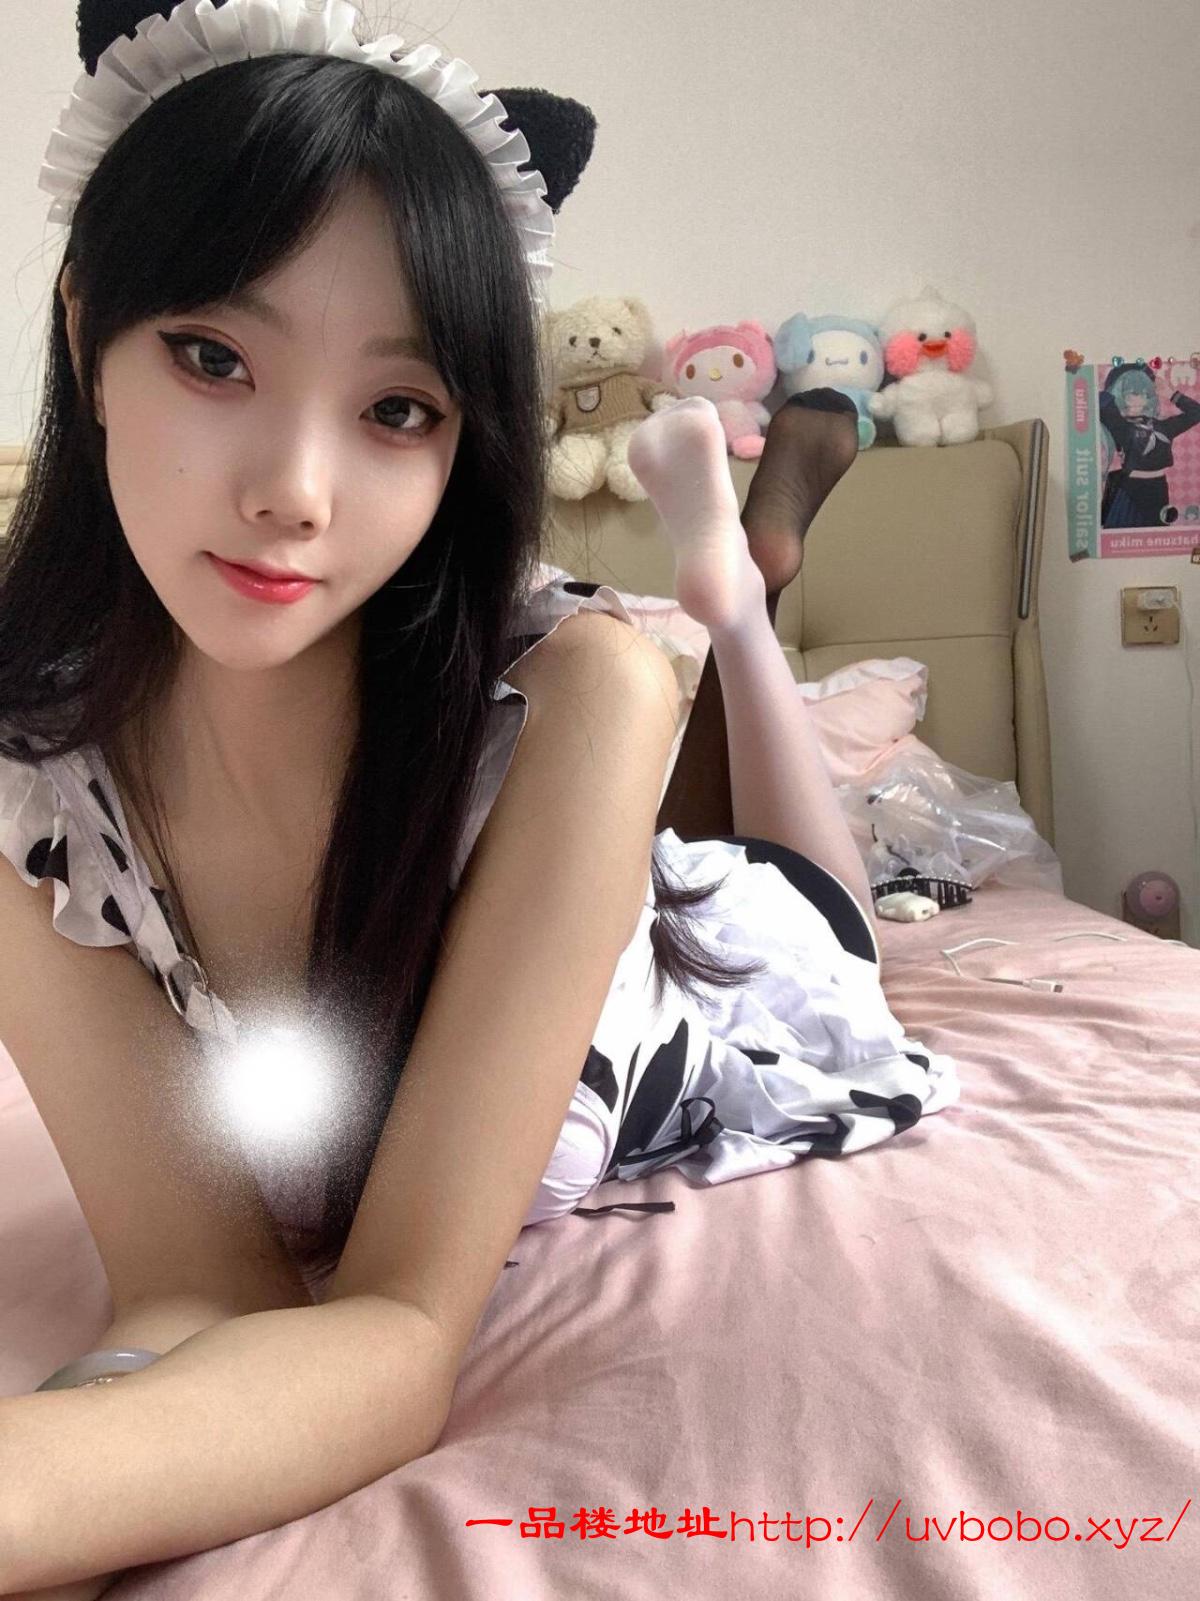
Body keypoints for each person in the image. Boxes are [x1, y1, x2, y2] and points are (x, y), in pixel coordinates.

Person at [0, 1, 958, 1588]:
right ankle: (735, 581)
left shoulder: (579, 696)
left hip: (730, 979)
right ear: (86, 328)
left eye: (399, 409)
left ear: (464, 446)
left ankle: (736, 590)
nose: (295, 492)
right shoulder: (30, 789)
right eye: (214, 357)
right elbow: (199, 1286)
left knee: (824, 895)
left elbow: (398, 1327)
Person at [1099, 362, 1200, 528]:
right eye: (1132, 393)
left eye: (1145, 393)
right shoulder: (1120, 425)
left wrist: (1171, 393)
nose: (1139, 398)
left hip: (1158, 489)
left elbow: (1196, 413)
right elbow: (1101, 400)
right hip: (1131, 491)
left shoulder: (1164, 426)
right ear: (1122, 395)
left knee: (1157, 535)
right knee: (1127, 535)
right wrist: (1126, 372)